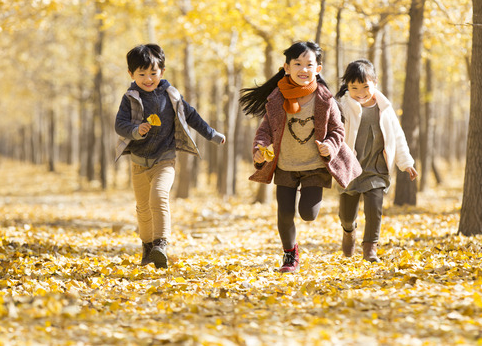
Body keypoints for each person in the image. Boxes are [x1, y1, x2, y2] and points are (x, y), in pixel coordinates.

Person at [239, 41, 361, 273]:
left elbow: (338, 130)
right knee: (284, 214)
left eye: (309, 64)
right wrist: (260, 147)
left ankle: (341, 224)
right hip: (285, 165)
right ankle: (289, 255)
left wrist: (330, 146)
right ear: (286, 67)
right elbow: (265, 129)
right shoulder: (276, 99)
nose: (303, 69)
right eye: (298, 64)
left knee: (308, 214)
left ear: (318, 69)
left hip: (315, 166)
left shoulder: (325, 100)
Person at [115, 44, 226, 269]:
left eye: (153, 73)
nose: (148, 79)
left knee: (159, 197)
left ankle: (161, 244)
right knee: (143, 208)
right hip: (138, 162)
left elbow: (192, 116)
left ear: (162, 72)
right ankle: (147, 249)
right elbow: (120, 124)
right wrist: (136, 131)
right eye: (142, 74)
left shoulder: (171, 94)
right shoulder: (130, 97)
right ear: (131, 74)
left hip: (165, 158)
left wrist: (211, 134)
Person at [335, 59, 418, 262]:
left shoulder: (385, 108)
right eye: (354, 87)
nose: (360, 92)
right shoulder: (342, 106)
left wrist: (406, 163)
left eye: (365, 87)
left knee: (374, 207)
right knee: (347, 214)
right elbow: (334, 134)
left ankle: (370, 248)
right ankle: (348, 231)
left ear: (375, 83)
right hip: (350, 170)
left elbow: (397, 136)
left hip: (376, 169)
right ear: (347, 86)